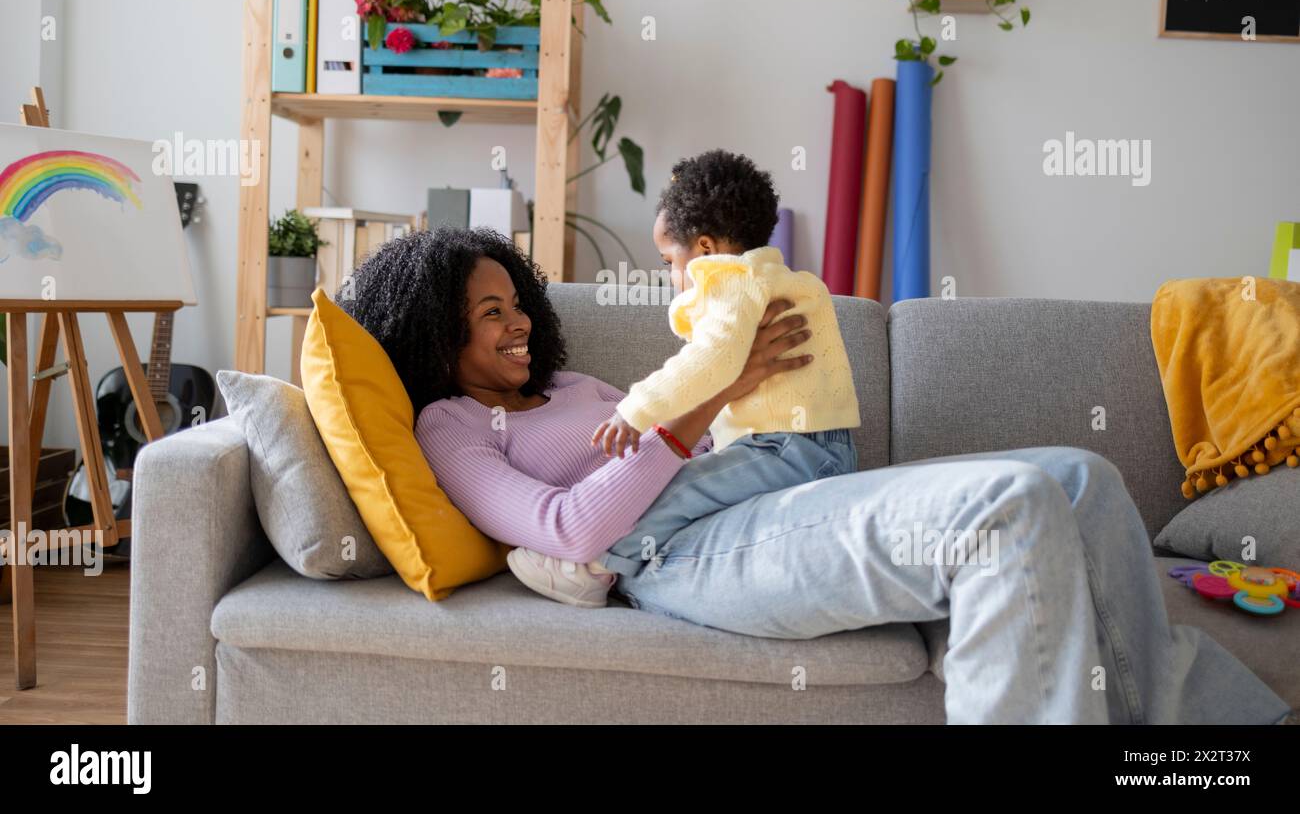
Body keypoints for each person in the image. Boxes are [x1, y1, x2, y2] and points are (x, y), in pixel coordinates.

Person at [339, 226, 1294, 724]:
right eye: (485, 314)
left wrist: (751, 394)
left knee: (1082, 477)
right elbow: (575, 530)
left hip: (757, 493)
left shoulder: (572, 383)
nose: (511, 326)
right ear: (435, 331)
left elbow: (685, 434)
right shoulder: (451, 427)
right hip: (677, 556)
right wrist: (713, 400)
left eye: (513, 304)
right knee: (1008, 507)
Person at [508, 149, 862, 606]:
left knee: (678, 488)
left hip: (787, 449)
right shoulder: (791, 281)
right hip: (819, 449)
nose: (672, 276)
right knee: (698, 494)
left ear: (706, 249)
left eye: (668, 261)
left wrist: (635, 411)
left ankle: (593, 569)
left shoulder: (734, 282)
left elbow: (713, 358)